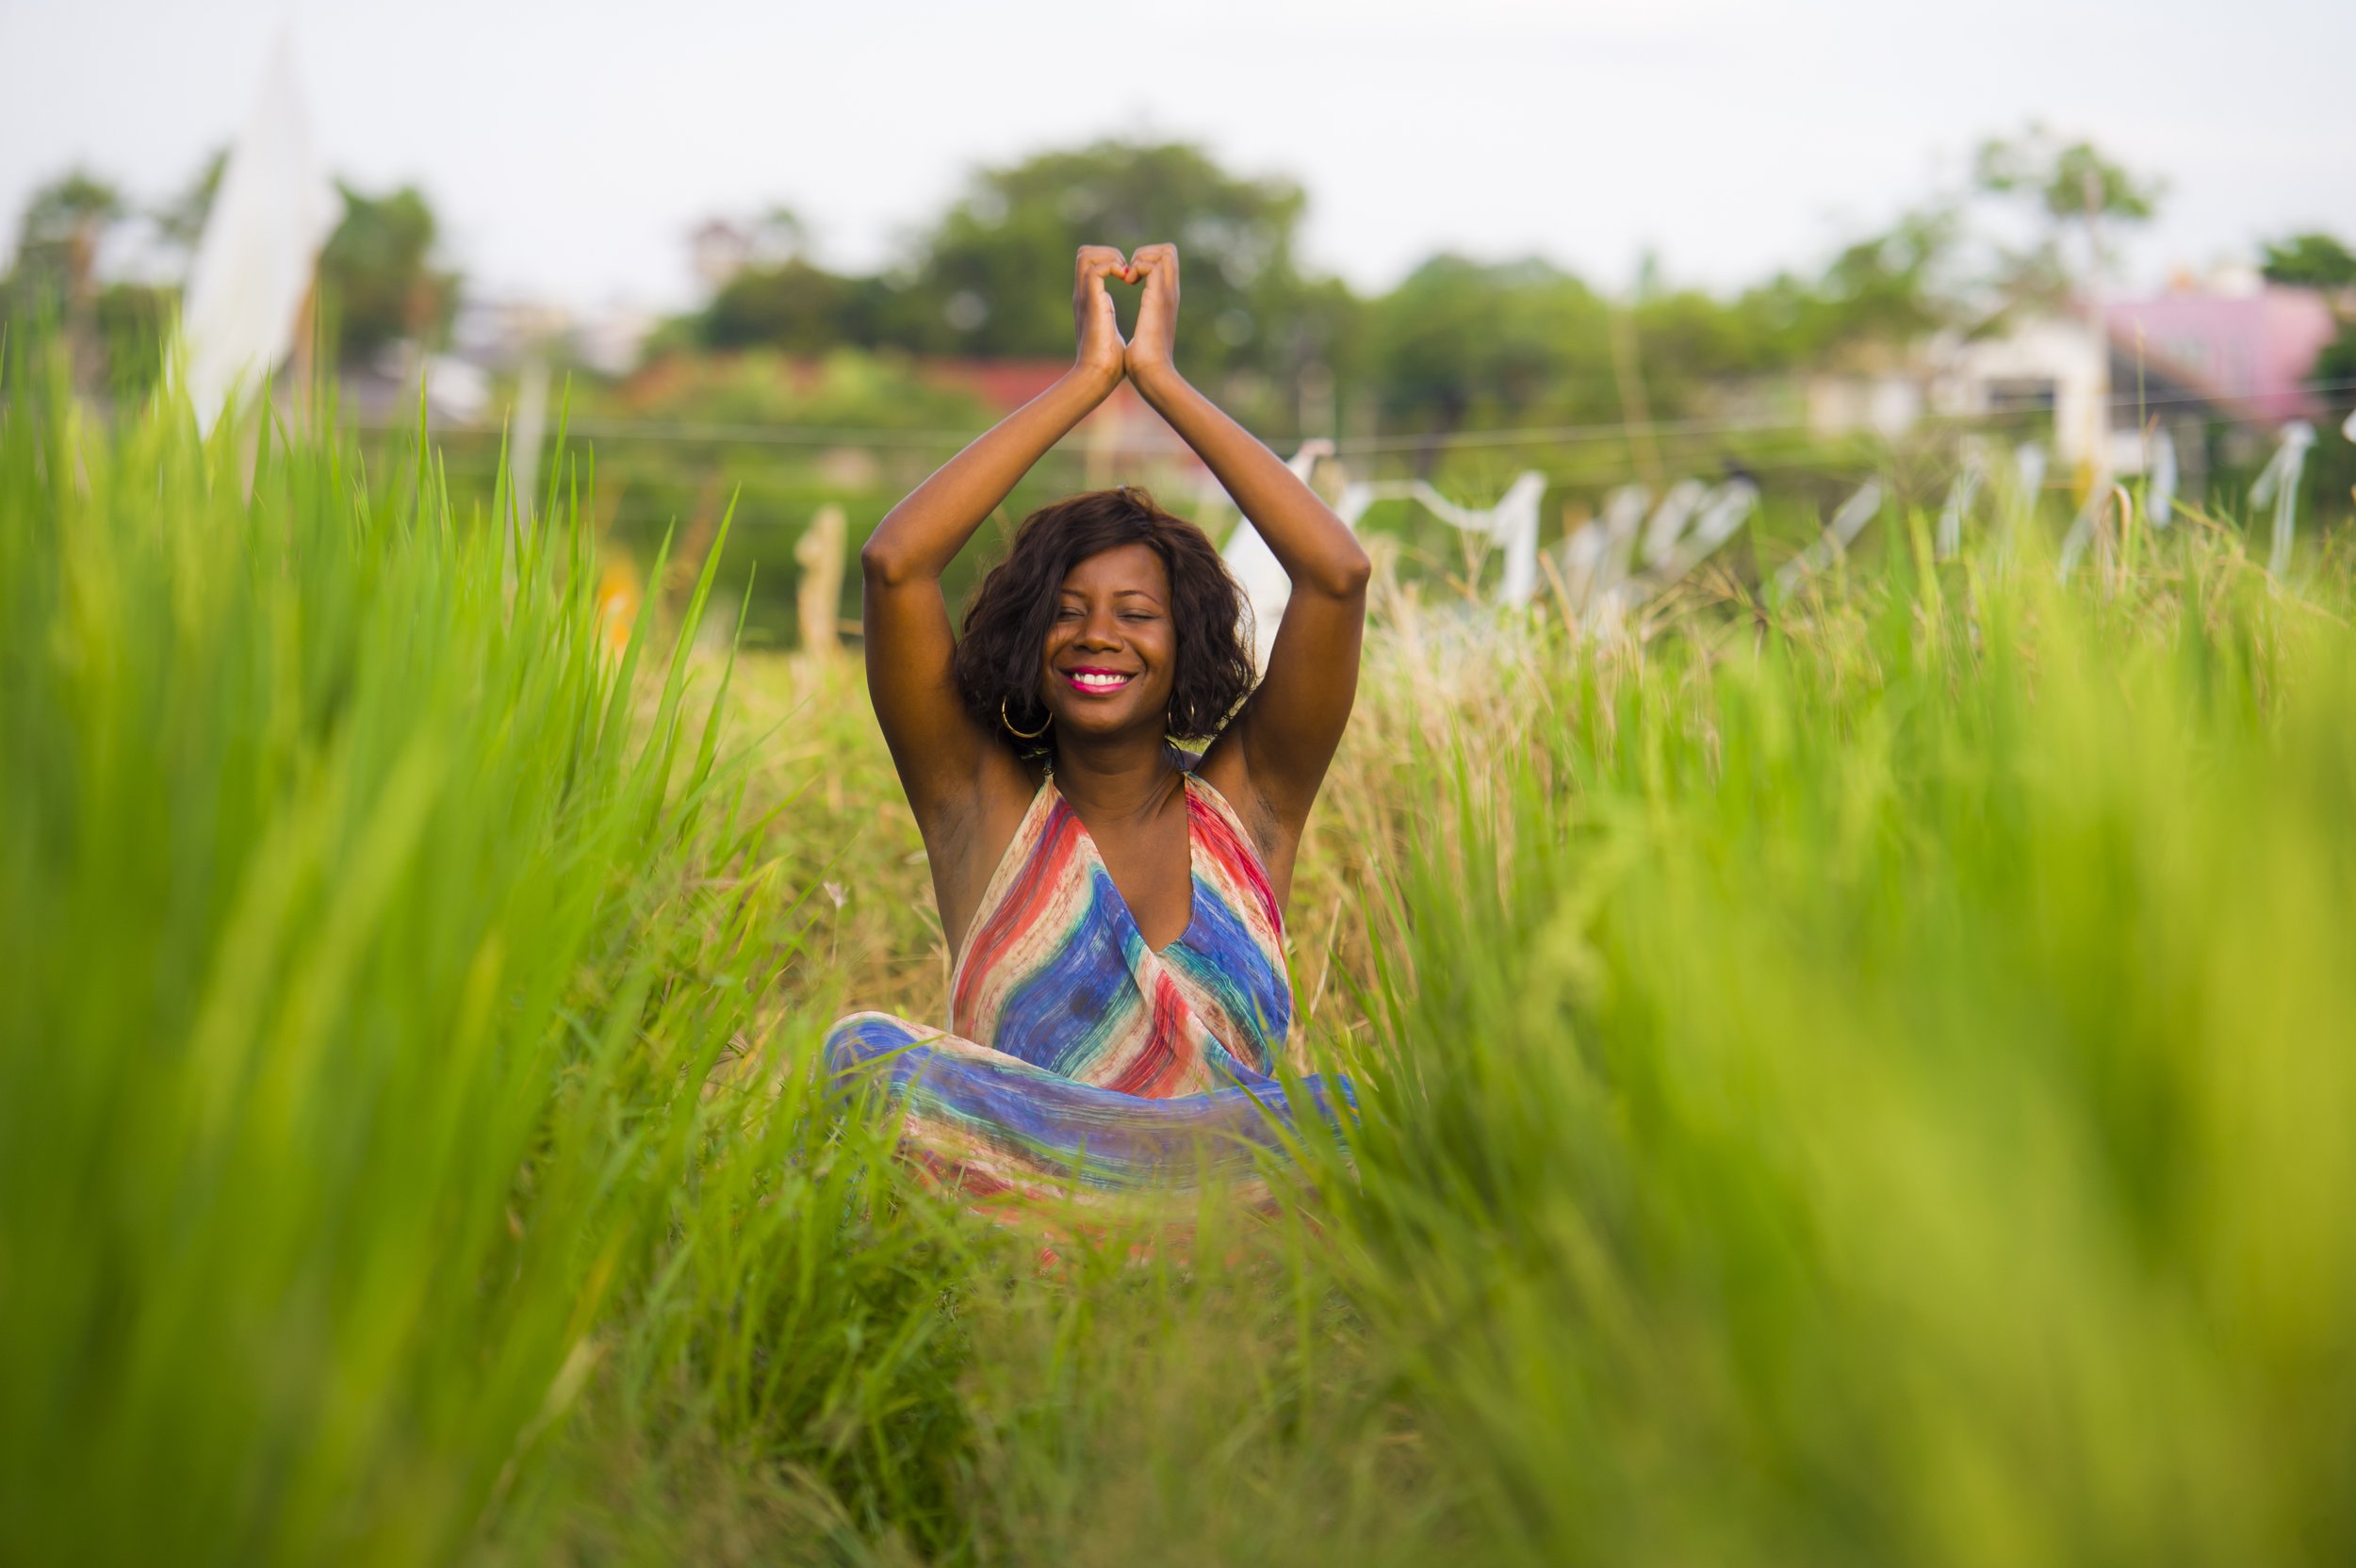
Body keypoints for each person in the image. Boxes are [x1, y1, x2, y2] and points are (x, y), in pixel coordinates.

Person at [826, 243, 1369, 1213]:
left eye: (1136, 611)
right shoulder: (976, 804)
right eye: (1068, 609)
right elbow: (895, 562)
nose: (1098, 635)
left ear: (1186, 640)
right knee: (865, 1057)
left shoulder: (1253, 803)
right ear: (1031, 636)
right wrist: (1084, 382)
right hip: (1023, 1204)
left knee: (1353, 1113)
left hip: (1226, 1207)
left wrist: (1159, 380)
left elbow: (1336, 573)